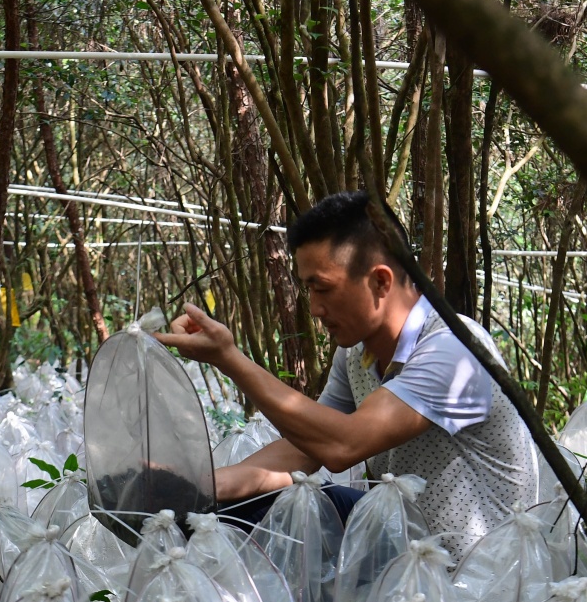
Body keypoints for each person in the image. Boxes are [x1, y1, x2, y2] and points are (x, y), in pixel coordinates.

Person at [155, 191, 537, 559]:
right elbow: (306, 448)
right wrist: (200, 488)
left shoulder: (455, 350)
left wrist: (228, 357)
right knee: (229, 514)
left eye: (322, 288)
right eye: (308, 289)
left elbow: (342, 446)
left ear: (381, 281)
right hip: (402, 541)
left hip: (471, 575)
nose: (316, 308)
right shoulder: (356, 354)